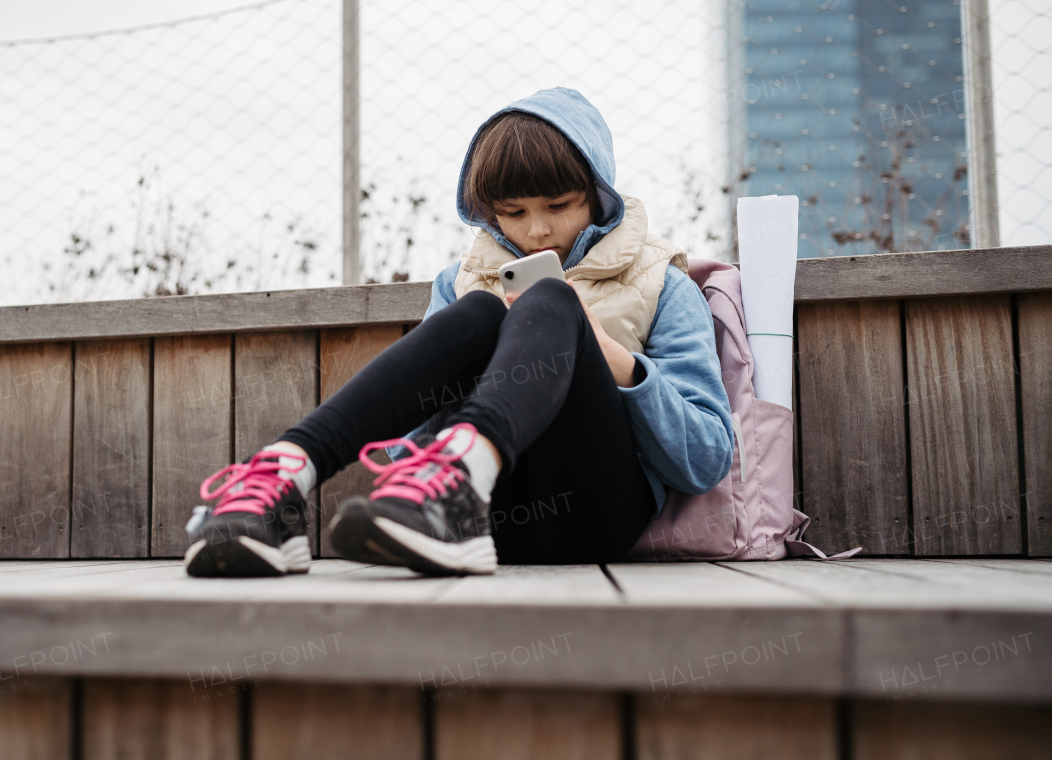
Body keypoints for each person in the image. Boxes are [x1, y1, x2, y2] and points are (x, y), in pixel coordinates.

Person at [184, 87, 734, 578]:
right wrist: (403, 473)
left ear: (598, 194)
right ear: (489, 214)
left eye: (558, 205)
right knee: (481, 312)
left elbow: (706, 457)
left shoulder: (663, 282)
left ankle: (458, 482)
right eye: (513, 212)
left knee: (549, 297)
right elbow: (413, 427)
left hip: (593, 513)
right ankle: (284, 478)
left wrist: (617, 361)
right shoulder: (458, 283)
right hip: (480, 522)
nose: (537, 229)